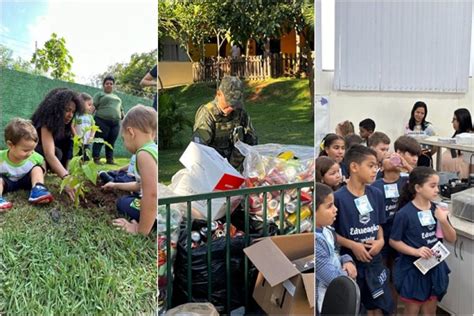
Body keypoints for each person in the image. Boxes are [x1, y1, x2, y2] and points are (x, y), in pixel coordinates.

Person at [333, 145, 394, 315]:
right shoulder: (338, 198)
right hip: (351, 264)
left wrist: (380, 241)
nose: (375, 170)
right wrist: (353, 245)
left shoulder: (376, 194)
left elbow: (379, 224)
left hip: (374, 262)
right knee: (356, 307)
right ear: (354, 167)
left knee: (380, 304)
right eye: (371, 165)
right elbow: (331, 234)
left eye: (377, 166)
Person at [390, 167, 456, 315]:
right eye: (432, 186)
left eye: (437, 186)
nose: (437, 190)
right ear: (418, 188)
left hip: (435, 267)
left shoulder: (437, 210)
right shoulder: (404, 214)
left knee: (430, 311)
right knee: (412, 310)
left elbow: (452, 238)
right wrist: (415, 251)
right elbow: (394, 241)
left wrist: (443, 221)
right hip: (413, 269)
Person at [192, 76, 258, 171]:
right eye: (228, 104)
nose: (231, 108)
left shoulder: (240, 112)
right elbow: (198, 149)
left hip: (237, 171)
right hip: (213, 170)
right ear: (218, 94)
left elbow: (251, 142)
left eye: (235, 104)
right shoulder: (208, 114)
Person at [111, 104, 157, 235]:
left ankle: (148, 224)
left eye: (123, 139)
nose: (125, 144)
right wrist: (115, 185)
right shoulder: (152, 149)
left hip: (158, 211)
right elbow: (140, 186)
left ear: (131, 132)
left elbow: (151, 195)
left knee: (123, 203)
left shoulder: (143, 154)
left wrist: (140, 230)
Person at [31, 87, 83, 201]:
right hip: (30, 154)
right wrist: (67, 179)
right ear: (56, 109)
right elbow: (49, 154)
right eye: (67, 110)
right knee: (55, 152)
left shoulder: (64, 125)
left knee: (61, 149)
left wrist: (67, 171)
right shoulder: (46, 121)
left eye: (73, 112)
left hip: (45, 156)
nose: (70, 115)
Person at [371, 154, 409, 307]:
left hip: (401, 235)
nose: (392, 157)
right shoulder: (375, 185)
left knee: (396, 272)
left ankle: (394, 306)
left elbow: (422, 179)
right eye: (387, 156)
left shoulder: (406, 181)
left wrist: (406, 165)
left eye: (394, 155)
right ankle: (383, 305)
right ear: (381, 166)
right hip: (382, 234)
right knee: (383, 271)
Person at [315, 182, 357, 313]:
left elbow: (336, 253)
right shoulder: (315, 242)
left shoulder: (327, 230)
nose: (335, 209)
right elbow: (333, 280)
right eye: (329, 206)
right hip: (325, 302)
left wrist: (347, 260)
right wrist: (349, 273)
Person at [0, 118, 54, 210]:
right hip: (7, 182)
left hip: (26, 181)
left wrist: (40, 176)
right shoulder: (1, 158)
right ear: (10, 145)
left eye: (33, 149)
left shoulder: (35, 157)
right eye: (26, 150)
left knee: (37, 168)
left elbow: (42, 164)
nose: (30, 153)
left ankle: (37, 190)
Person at [92, 75, 124, 165]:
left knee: (111, 142)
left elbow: (121, 110)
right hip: (101, 120)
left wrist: (125, 121)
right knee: (99, 140)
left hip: (115, 123)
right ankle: (96, 158)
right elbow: (93, 106)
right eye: (107, 83)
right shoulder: (100, 94)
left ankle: (110, 160)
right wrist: (88, 117)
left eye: (111, 83)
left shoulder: (118, 98)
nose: (109, 85)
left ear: (113, 86)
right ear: (104, 85)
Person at [441, 108, 473, 179]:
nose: (452, 122)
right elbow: (454, 154)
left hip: (461, 176)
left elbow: (471, 161)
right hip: (450, 173)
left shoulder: (469, 138)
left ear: (461, 120)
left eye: (454, 119)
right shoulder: (457, 135)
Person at [404, 101, 436, 167]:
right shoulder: (408, 126)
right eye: (417, 112)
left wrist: (428, 153)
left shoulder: (428, 127)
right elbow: (405, 143)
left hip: (424, 158)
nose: (419, 115)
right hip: (411, 158)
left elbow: (436, 145)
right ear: (413, 112)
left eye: (422, 113)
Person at [71, 93, 96, 160]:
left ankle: (85, 165)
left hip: (87, 142)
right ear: (81, 103)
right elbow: (72, 126)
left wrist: (91, 137)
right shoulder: (76, 116)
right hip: (78, 141)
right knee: (77, 156)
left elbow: (93, 128)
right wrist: (76, 136)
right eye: (89, 104)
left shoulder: (90, 117)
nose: (91, 107)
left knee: (87, 156)